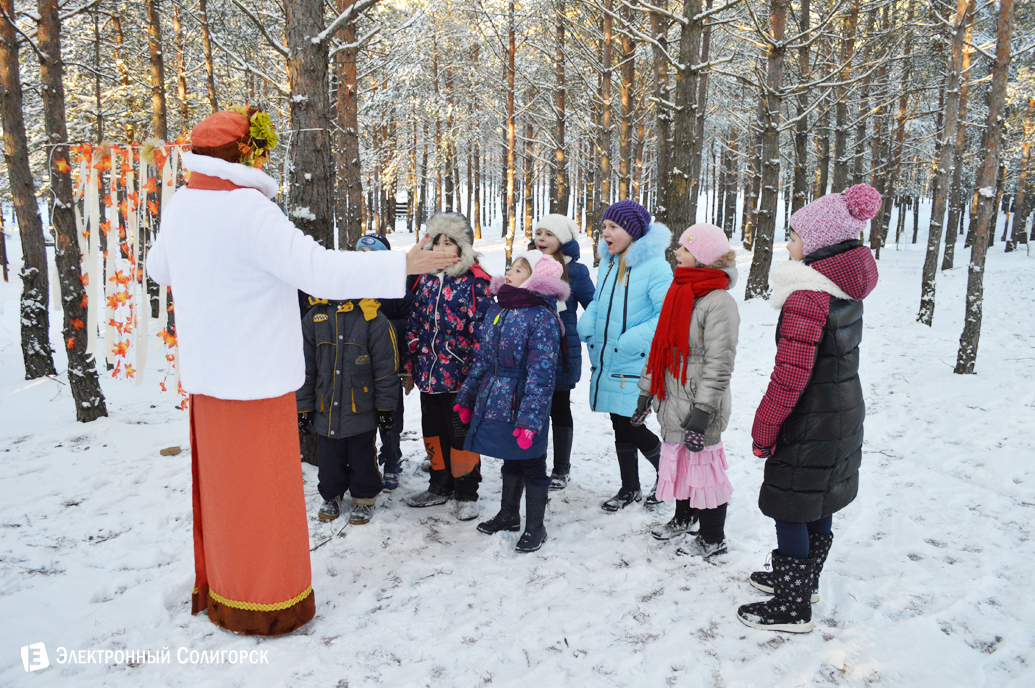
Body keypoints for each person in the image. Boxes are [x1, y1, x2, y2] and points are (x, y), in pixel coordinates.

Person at [146, 108, 457, 636]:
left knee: (227, 494)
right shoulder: (248, 209)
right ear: (248, 155)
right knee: (265, 494)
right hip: (257, 376)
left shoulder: (182, 206)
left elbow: (159, 269)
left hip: (207, 377)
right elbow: (319, 270)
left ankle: (226, 587)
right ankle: (267, 602)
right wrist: (400, 265)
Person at [737, 184, 881, 633]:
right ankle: (803, 581)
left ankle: (792, 605)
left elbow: (791, 375)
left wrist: (765, 429)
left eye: (795, 234)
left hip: (810, 416)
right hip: (840, 412)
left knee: (791, 503)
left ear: (818, 243)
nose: (788, 242)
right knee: (818, 497)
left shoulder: (807, 296)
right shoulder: (842, 289)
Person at [633, 224, 739, 559]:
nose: (676, 254)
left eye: (684, 249)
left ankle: (712, 536)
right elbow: (660, 347)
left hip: (697, 400)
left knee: (704, 469)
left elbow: (719, 362)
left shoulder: (718, 301)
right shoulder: (679, 291)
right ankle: (683, 517)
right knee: (679, 461)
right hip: (671, 395)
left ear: (704, 258)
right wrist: (645, 393)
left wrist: (704, 409)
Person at [454, 251, 567, 552]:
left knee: (532, 463)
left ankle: (535, 526)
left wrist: (531, 420)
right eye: (512, 267)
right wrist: (468, 396)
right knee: (510, 458)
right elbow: (482, 358)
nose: (510, 271)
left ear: (536, 280)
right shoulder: (498, 309)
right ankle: (508, 515)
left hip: (525, 401)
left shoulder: (542, 317)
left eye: (519, 269)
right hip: (496, 397)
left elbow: (541, 375)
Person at [576, 200, 673, 512]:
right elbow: (599, 302)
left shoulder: (655, 266)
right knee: (619, 422)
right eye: (604, 226)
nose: (605, 232)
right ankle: (629, 487)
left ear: (631, 231)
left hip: (635, 358)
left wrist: (631, 340)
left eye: (613, 227)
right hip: (608, 358)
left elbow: (667, 315)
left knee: (629, 422)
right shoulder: (608, 263)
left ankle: (667, 475)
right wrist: (588, 322)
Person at [402, 213, 493, 521]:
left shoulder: (475, 283)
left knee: (460, 434)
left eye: (449, 242)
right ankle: (439, 485)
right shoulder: (424, 281)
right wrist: (412, 357)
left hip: (460, 378)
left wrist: (472, 371)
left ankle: (466, 491)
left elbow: (482, 332)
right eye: (437, 242)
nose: (441, 248)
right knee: (433, 431)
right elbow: (413, 323)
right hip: (428, 373)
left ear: (462, 247)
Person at [297, 294, 400, 525]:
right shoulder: (315, 317)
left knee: (361, 457)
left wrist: (385, 408)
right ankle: (332, 495)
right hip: (326, 406)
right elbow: (304, 367)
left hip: (360, 407)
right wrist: (303, 407)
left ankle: (364, 498)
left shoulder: (372, 317)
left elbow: (386, 368)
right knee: (329, 459)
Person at [529, 214, 595, 490]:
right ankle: (534, 462)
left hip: (562, 349)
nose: (541, 239)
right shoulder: (528, 264)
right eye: (539, 233)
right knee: (533, 406)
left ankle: (561, 468)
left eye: (549, 234)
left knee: (559, 406)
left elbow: (593, 305)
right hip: (531, 349)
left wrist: (581, 331)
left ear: (563, 240)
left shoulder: (575, 271)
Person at [356, 233, 414, 492]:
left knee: (390, 417)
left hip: (388, 364)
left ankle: (391, 460)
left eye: (373, 255)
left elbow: (410, 322)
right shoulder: (350, 285)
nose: (366, 260)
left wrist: (382, 328)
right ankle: (367, 463)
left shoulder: (395, 285)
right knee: (361, 418)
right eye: (361, 255)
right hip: (357, 365)